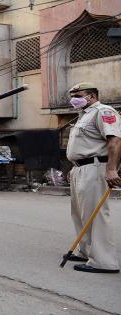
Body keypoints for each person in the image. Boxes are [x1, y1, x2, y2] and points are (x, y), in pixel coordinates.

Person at [65, 82, 121, 274]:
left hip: (95, 167)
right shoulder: (83, 115)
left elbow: (114, 140)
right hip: (80, 168)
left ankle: (104, 261)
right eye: (72, 94)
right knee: (80, 213)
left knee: (95, 215)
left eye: (78, 94)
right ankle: (86, 251)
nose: (73, 98)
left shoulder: (103, 111)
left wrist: (112, 169)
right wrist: (74, 167)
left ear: (91, 96)